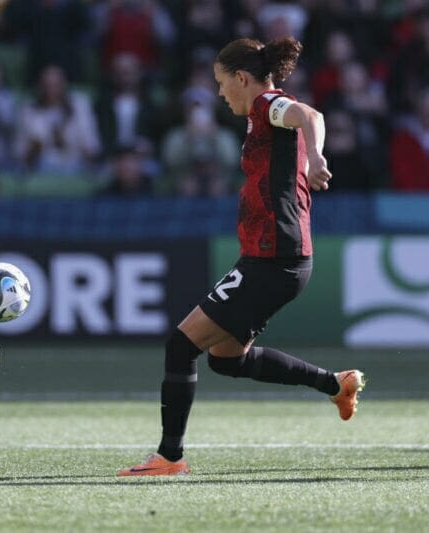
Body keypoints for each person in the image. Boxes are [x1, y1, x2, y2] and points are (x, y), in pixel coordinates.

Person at [118, 37, 365, 477]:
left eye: (221, 83)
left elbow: (311, 114)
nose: (219, 93)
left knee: (181, 345)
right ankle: (335, 384)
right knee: (228, 360)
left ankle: (169, 457)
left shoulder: (269, 104)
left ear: (242, 79)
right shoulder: (259, 115)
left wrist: (316, 158)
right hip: (270, 257)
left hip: (275, 259)